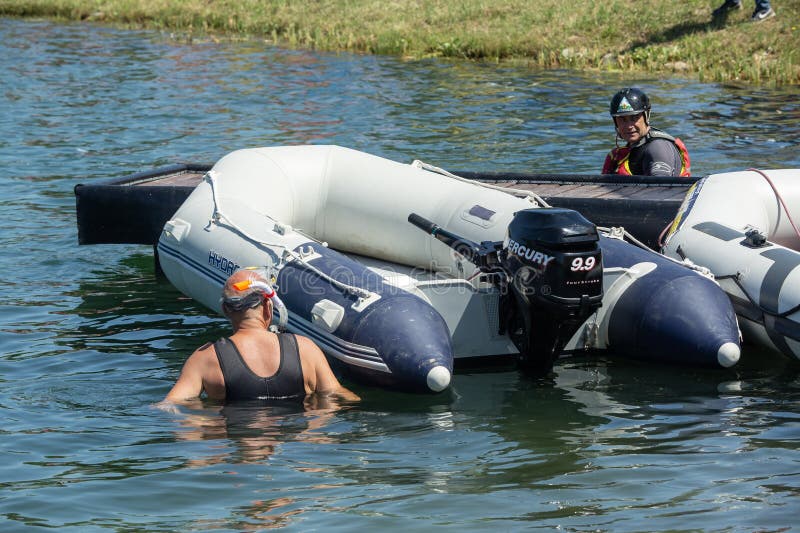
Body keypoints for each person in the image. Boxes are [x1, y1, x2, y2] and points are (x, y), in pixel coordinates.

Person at [161, 268, 359, 406]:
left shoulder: (205, 359)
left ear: (225, 309)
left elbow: (171, 406)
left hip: (236, 449)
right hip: (297, 451)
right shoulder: (305, 349)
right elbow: (338, 395)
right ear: (268, 306)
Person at [602, 88, 691, 177]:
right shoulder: (625, 152)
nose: (629, 126)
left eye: (634, 118)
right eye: (622, 119)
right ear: (615, 122)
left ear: (646, 116)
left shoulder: (658, 147)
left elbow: (659, 186)